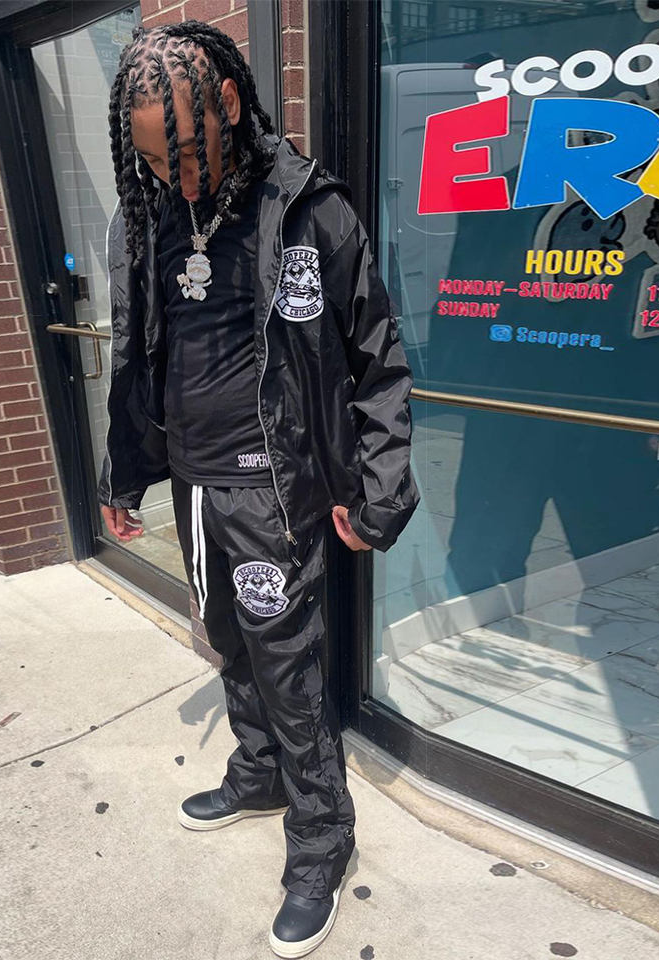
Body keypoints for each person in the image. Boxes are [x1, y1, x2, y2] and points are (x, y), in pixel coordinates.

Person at [97, 19, 420, 959]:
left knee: (289, 666)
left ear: (231, 103)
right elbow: (137, 356)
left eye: (187, 153)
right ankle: (260, 771)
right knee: (227, 638)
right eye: (155, 160)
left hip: (275, 489)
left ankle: (321, 839)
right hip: (196, 486)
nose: (177, 177)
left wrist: (381, 490)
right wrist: (125, 472)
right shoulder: (147, 214)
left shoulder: (309, 209)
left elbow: (377, 355)